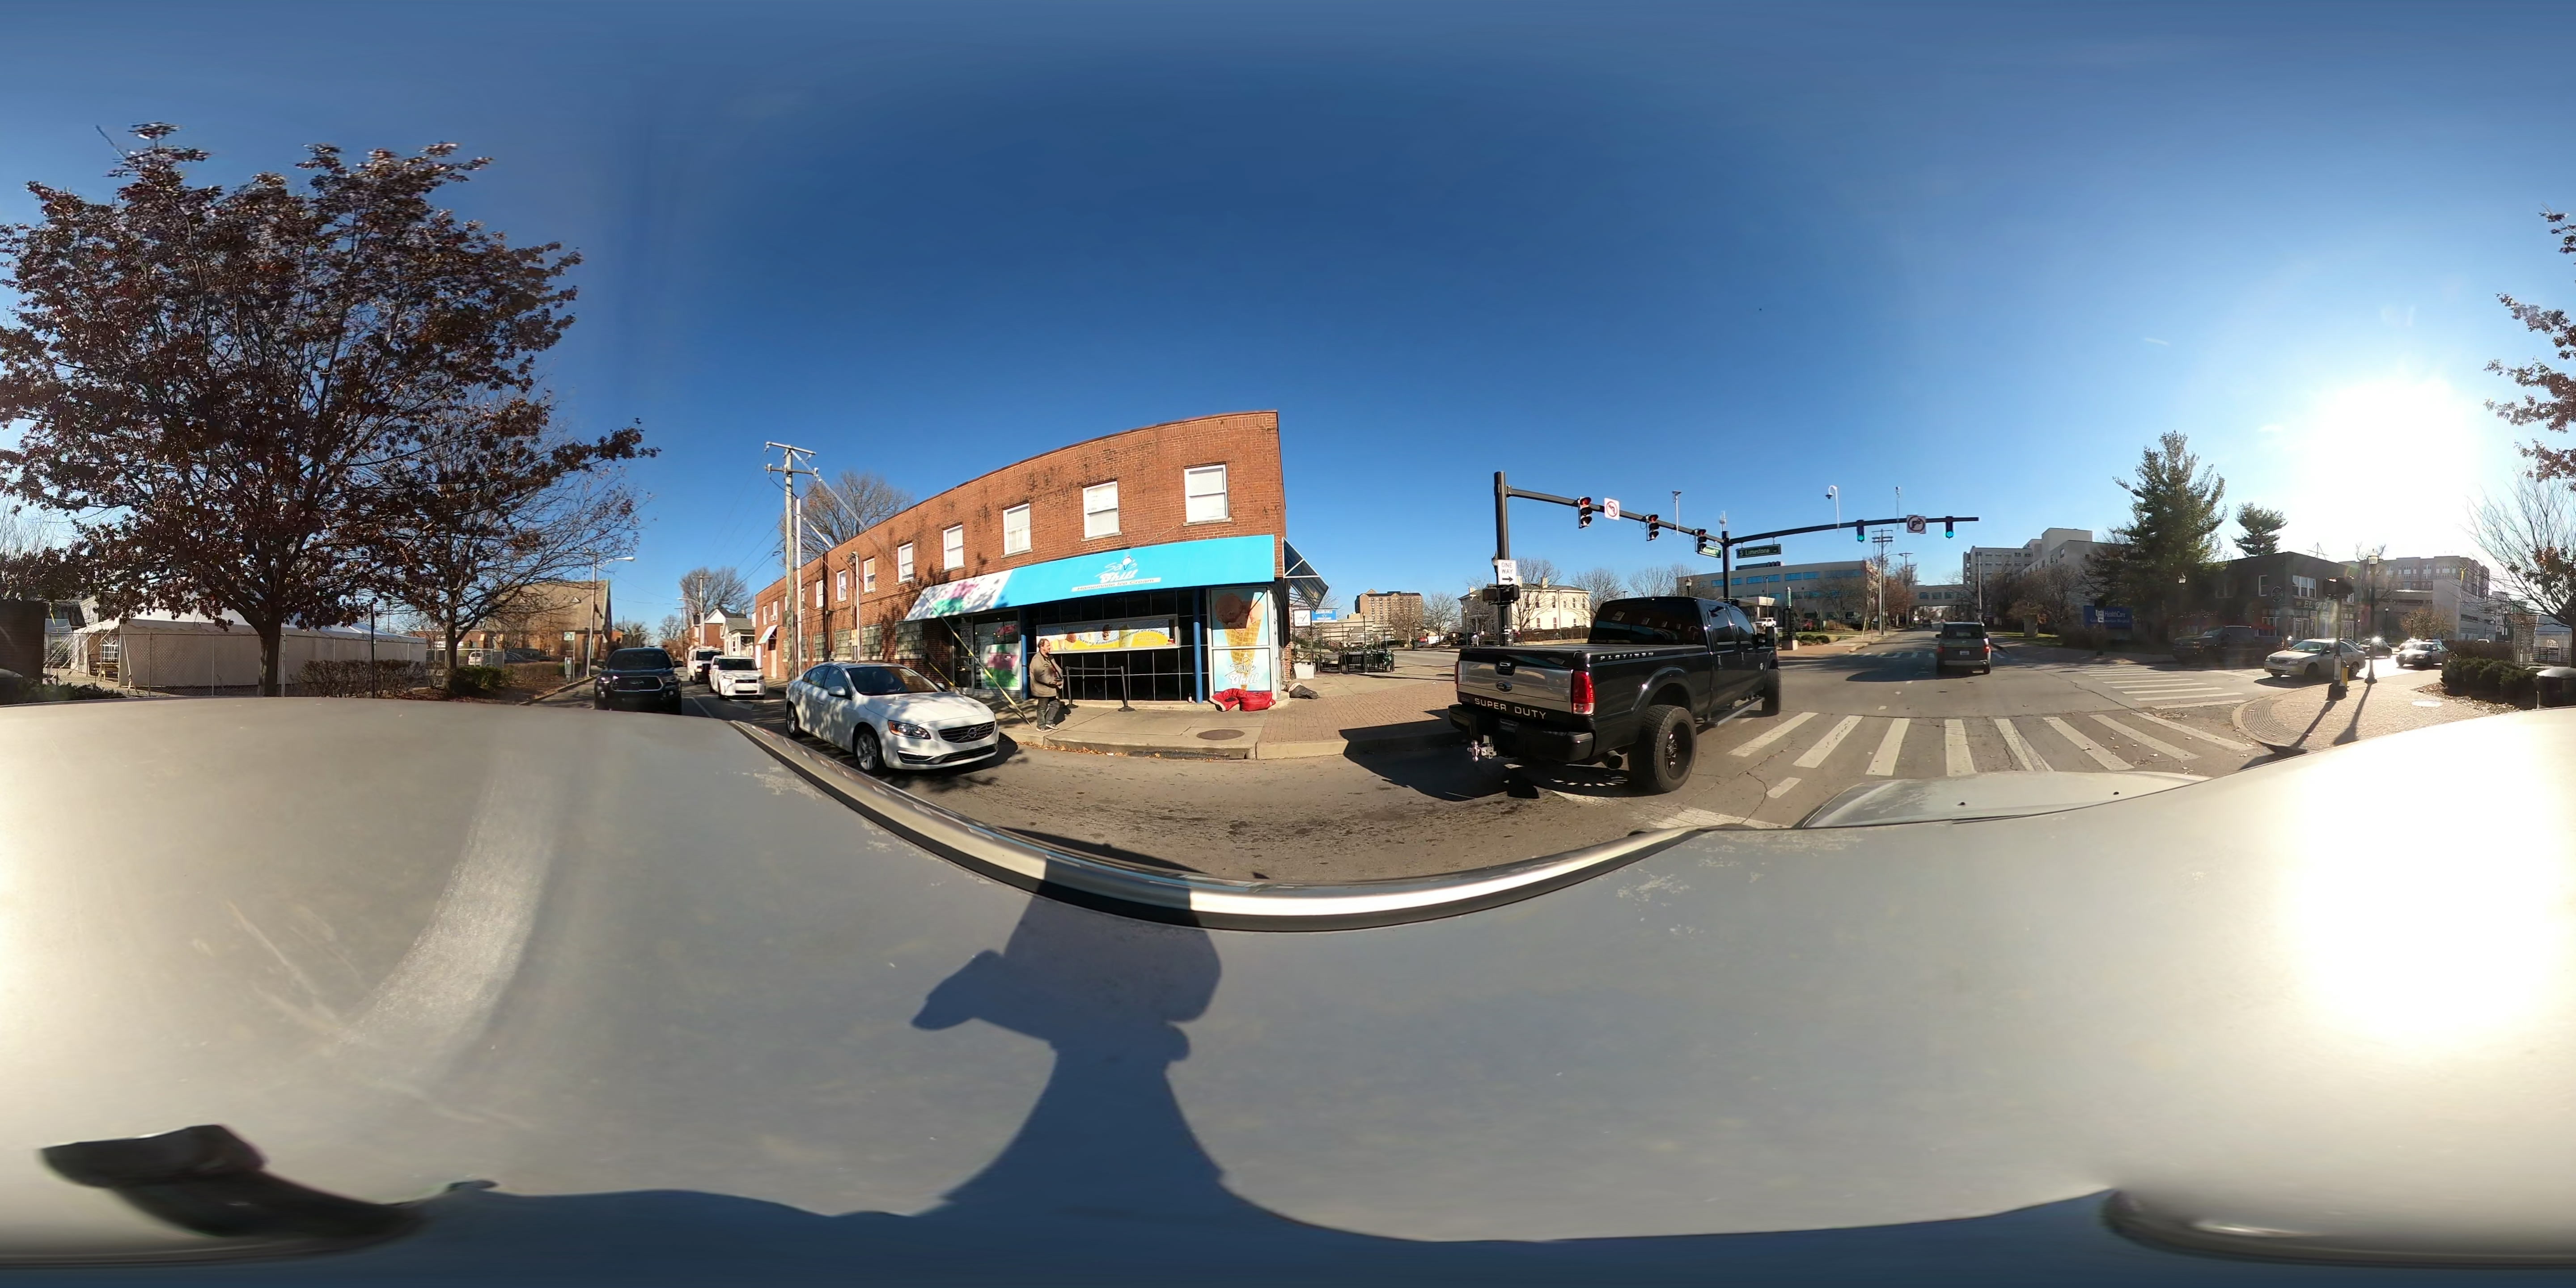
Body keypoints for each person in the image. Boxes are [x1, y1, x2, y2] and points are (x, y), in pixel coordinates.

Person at [1029, 638, 1066, 729]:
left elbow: (1055, 669)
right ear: (1041, 647)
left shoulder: (1050, 657)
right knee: (1042, 707)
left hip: (1051, 688)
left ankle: (1049, 722)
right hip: (1043, 689)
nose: (1050, 647)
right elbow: (1039, 675)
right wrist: (1051, 681)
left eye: (1050, 645)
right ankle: (1041, 726)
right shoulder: (1037, 659)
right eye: (1048, 646)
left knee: (1056, 705)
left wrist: (1058, 679)